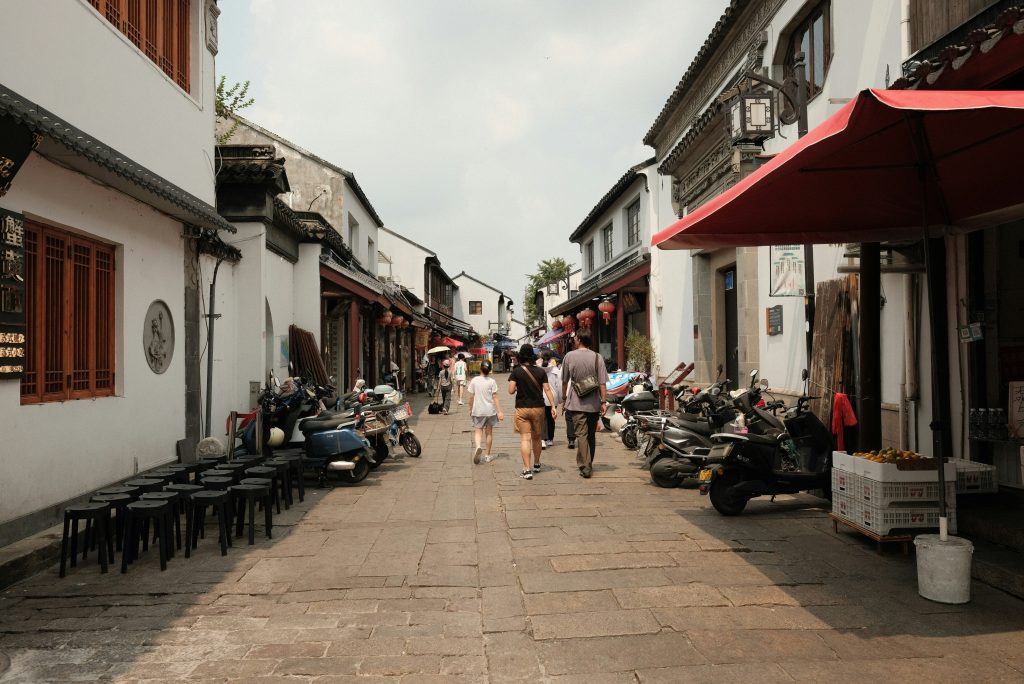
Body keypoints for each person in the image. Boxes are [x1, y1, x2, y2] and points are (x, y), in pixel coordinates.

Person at [561, 331, 609, 478]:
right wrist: (603, 401)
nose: (574, 341)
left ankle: (585, 466)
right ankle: (589, 463)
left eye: (575, 338)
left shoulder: (569, 356)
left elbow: (564, 381)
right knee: (591, 435)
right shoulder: (597, 357)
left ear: (580, 339)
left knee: (581, 434)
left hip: (576, 402)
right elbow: (602, 382)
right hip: (593, 402)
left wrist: (564, 398)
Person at [508, 344, 556, 480]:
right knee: (537, 437)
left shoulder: (516, 372)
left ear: (521, 356)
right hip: (538, 408)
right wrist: (552, 406)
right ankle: (537, 464)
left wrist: (519, 387)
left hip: (522, 408)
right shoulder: (541, 372)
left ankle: (527, 469)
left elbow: (510, 391)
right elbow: (547, 390)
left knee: (525, 438)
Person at [467, 360, 503, 464]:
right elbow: (495, 397)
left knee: (478, 431)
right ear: (490, 370)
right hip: (490, 412)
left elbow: (471, 397)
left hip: (478, 411)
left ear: (480, 369)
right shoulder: (492, 381)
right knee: (489, 433)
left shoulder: (474, 380)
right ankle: (487, 455)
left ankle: (478, 446)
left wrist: (470, 409)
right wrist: (499, 411)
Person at [538, 352, 562, 448]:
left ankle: (542, 439)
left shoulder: (538, 369)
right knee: (551, 419)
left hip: (540, 396)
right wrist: (560, 399)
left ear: (541, 358)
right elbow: (559, 385)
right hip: (553, 396)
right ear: (550, 359)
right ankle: (550, 439)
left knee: (542, 419)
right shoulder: (555, 370)